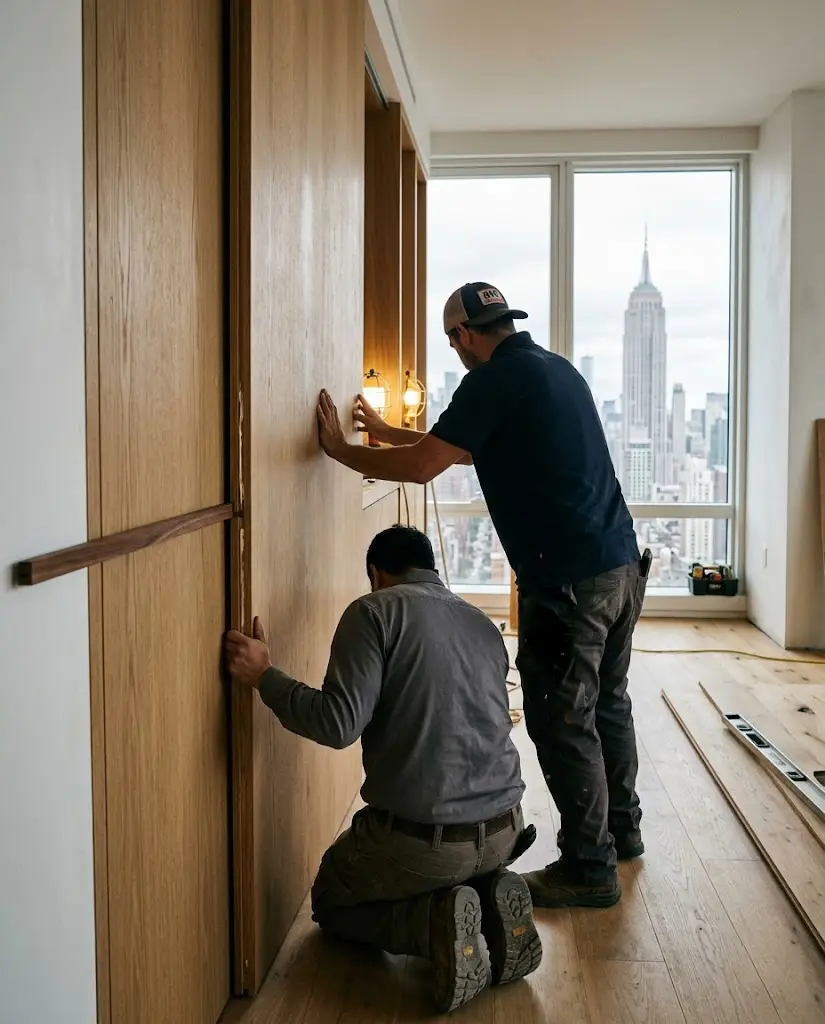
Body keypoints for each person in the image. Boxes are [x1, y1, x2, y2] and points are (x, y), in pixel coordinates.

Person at [315, 282, 650, 910]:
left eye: (452, 341)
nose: (456, 352)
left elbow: (425, 467)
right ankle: (621, 834)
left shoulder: (490, 381)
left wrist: (340, 450)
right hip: (620, 567)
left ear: (465, 337)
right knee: (607, 703)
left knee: (561, 718)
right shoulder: (552, 370)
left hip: (569, 580)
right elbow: (465, 449)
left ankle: (588, 867)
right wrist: (386, 430)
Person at [223, 525, 541, 1013]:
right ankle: (489, 897)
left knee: (332, 898)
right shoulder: (482, 623)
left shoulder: (373, 611)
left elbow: (337, 724)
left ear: (376, 573)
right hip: (505, 829)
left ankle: (433, 923)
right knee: (454, 868)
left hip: (426, 843)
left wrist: (264, 676)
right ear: (431, 569)